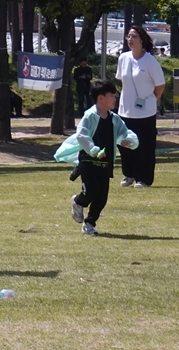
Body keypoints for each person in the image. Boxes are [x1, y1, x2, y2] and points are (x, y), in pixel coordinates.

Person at [64, 79, 139, 236]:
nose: (114, 98)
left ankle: (89, 223)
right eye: (112, 95)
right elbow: (82, 135)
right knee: (91, 191)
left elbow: (126, 133)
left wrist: (129, 141)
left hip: (105, 164)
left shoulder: (114, 119)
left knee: (102, 197)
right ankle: (78, 202)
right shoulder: (89, 116)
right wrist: (93, 150)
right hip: (89, 161)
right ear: (100, 98)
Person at [116, 25, 165, 188]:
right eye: (128, 36)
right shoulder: (123, 58)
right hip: (125, 110)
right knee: (124, 144)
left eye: (134, 36)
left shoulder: (150, 61)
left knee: (144, 146)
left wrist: (150, 100)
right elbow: (122, 81)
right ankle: (128, 174)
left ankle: (144, 178)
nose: (130, 40)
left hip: (145, 112)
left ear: (142, 40)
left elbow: (160, 85)